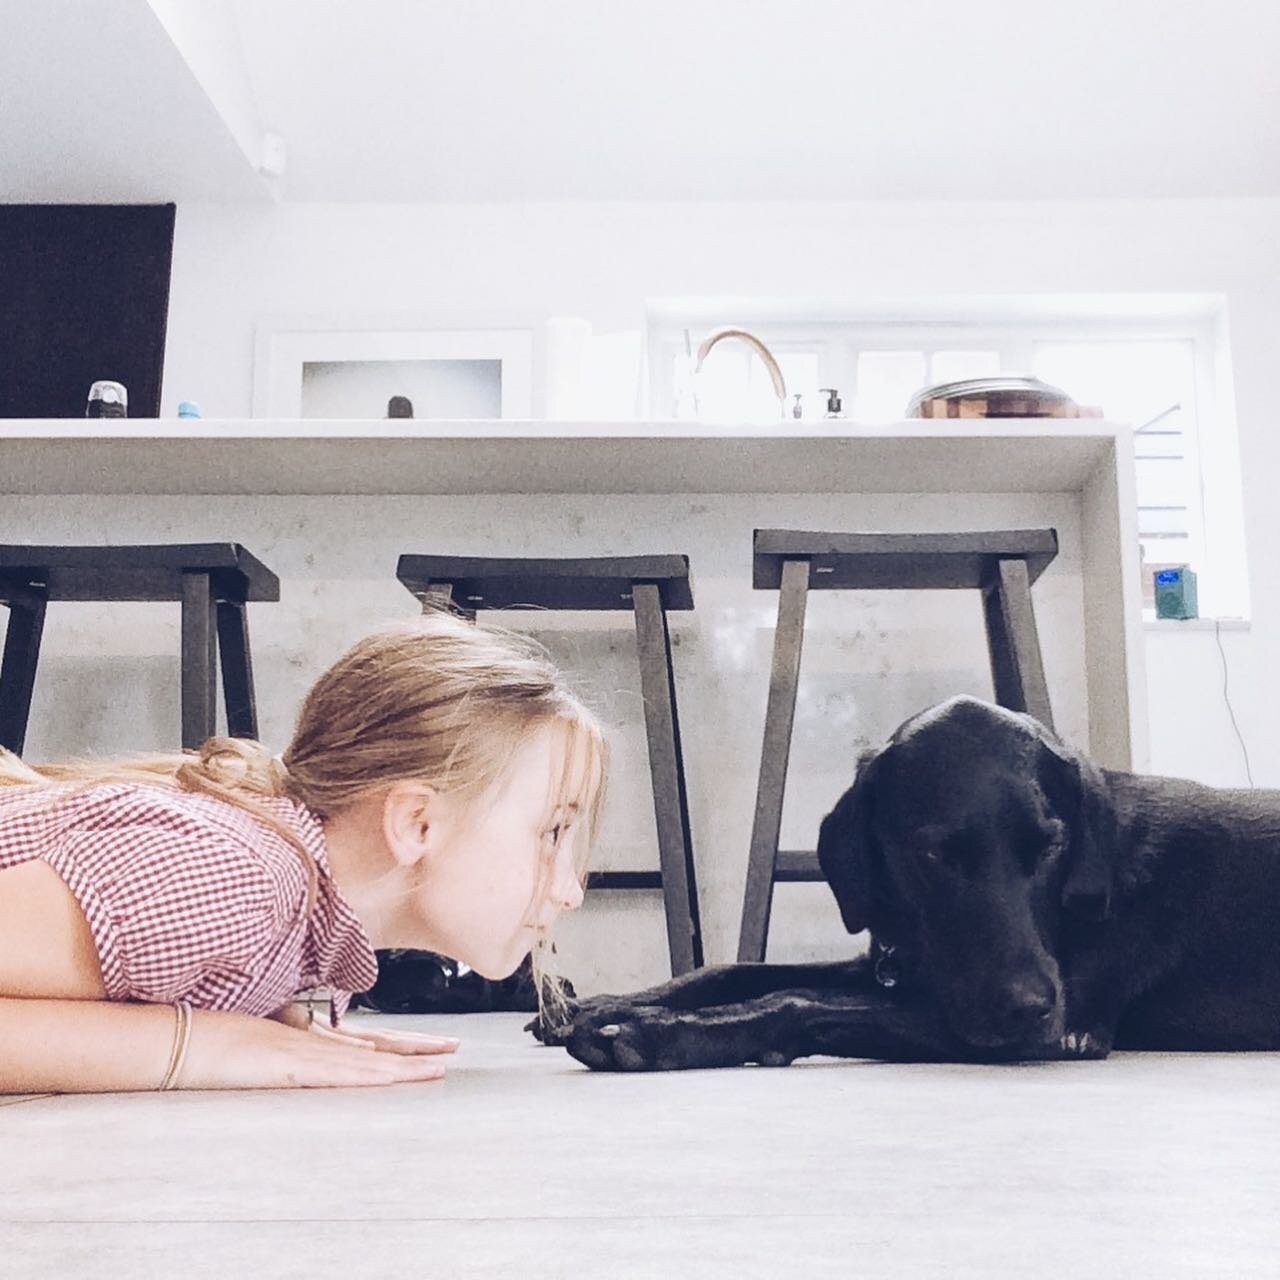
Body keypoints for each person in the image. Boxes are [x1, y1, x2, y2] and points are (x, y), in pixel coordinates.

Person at [0, 610, 606, 1094]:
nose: (569, 890)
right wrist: (205, 1044)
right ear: (415, 822)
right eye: (552, 832)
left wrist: (258, 1014)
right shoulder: (230, 880)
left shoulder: (308, 924)